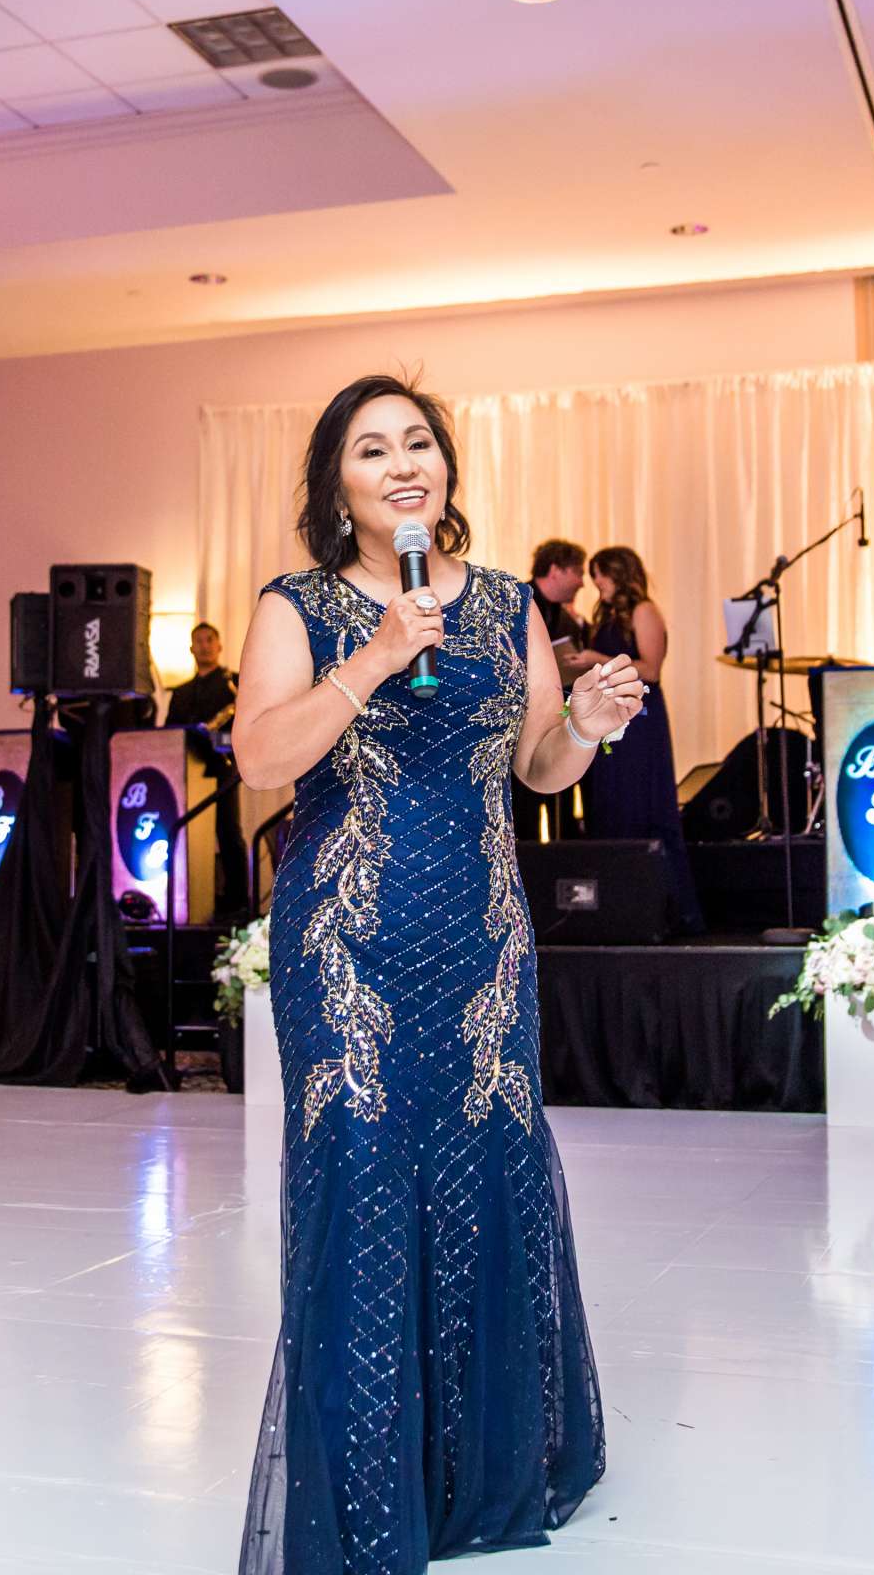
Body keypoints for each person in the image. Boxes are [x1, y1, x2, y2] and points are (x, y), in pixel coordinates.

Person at [229, 373, 624, 1573]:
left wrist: (590, 722)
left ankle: (484, 1476)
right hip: (346, 941)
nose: (402, 465)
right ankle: (366, 1498)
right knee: (360, 1188)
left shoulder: (508, 605)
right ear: (336, 484)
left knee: (486, 1182)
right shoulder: (297, 606)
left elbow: (538, 767)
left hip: (483, 942)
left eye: (418, 444)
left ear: (446, 468)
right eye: (371, 449)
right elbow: (259, 756)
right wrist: (375, 660)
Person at [568, 546, 705, 933]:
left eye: (601, 575)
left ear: (618, 573)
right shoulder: (607, 615)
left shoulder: (645, 610)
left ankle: (672, 910)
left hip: (640, 720)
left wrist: (597, 658)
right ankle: (617, 909)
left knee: (641, 804)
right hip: (609, 719)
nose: (597, 583)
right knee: (610, 806)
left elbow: (651, 668)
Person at [168, 623, 248, 914]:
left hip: (222, 767)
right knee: (188, 835)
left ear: (219, 645)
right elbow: (170, 732)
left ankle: (237, 902)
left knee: (228, 832)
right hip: (186, 772)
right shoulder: (181, 693)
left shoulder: (235, 682)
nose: (204, 646)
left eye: (209, 640)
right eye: (198, 641)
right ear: (191, 648)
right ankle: (189, 898)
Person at [515, 540, 589, 841]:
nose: (582, 582)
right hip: (522, 729)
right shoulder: (518, 604)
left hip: (562, 724)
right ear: (556, 570)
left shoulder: (569, 619)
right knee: (525, 816)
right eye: (578, 572)